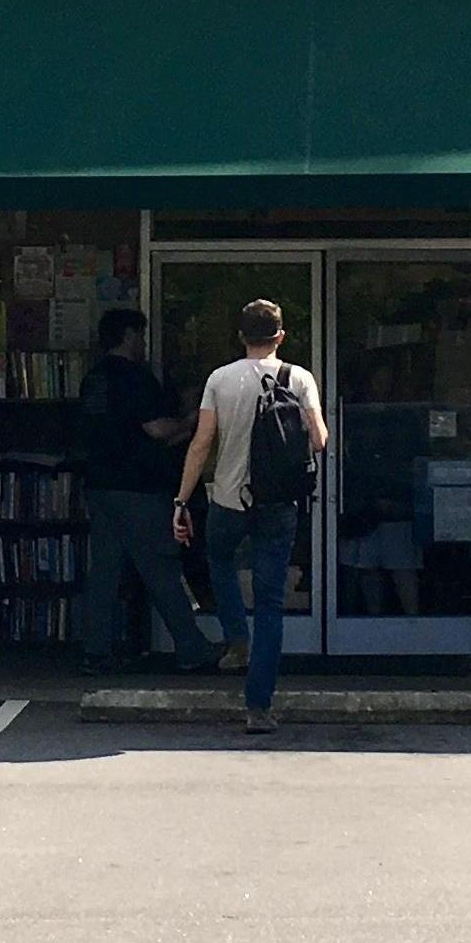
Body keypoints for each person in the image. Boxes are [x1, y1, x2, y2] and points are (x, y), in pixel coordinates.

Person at [174, 297, 327, 734]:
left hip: (227, 498)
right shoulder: (298, 378)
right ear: (281, 336)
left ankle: (235, 636)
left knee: (218, 559)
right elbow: (318, 440)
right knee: (272, 603)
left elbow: (202, 443)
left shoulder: (220, 380)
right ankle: (258, 707)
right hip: (278, 502)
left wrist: (182, 500)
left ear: (241, 336)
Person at [74, 308, 209, 673]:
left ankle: (96, 650)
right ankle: (192, 648)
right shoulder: (135, 378)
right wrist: (191, 420)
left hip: (100, 484)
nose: (144, 343)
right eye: (141, 336)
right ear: (129, 336)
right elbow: (156, 430)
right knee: (161, 568)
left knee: (104, 571)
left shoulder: (93, 380)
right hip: (138, 486)